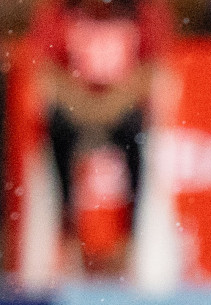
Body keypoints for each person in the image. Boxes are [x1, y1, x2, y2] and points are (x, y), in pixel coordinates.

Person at [30, 0, 173, 273]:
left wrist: (112, 104)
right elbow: (47, 73)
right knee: (57, 134)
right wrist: (84, 104)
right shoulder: (60, 10)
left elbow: (153, 69)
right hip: (76, 108)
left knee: (136, 141)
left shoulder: (143, 10)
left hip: (123, 109)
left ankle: (130, 242)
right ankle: (68, 238)